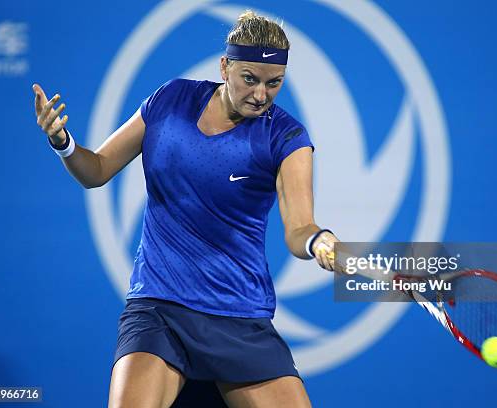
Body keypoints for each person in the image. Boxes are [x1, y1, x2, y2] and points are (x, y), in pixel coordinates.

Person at [33, 10, 340, 408]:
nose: (261, 95)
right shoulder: (170, 100)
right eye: (250, 79)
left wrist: (319, 240)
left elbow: (300, 228)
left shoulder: (286, 136)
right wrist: (63, 142)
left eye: (273, 83)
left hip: (239, 315)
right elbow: (96, 170)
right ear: (225, 66)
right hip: (160, 308)